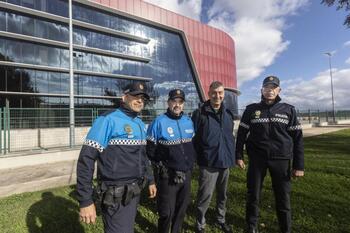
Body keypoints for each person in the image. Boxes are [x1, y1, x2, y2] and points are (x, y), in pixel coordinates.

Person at [76, 82, 157, 233]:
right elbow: (86, 159)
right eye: (136, 96)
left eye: (143, 98)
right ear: (124, 97)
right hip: (116, 194)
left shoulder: (139, 123)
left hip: (134, 191)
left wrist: (151, 180)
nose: (140, 100)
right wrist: (85, 200)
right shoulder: (107, 119)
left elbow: (143, 156)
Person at [235, 75, 304, 233]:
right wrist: (238, 155)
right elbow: (241, 134)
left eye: (273, 88)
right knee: (253, 194)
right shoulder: (251, 110)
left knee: (283, 197)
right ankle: (252, 227)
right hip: (257, 160)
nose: (270, 90)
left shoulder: (288, 110)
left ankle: (285, 229)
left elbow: (298, 139)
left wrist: (298, 165)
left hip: (281, 160)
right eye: (267, 87)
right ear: (262, 90)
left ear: (278, 90)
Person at [146, 89, 196, 233]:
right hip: (167, 176)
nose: (177, 105)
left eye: (180, 102)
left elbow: (192, 145)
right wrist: (160, 166)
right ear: (168, 102)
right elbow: (150, 151)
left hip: (186, 174)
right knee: (166, 213)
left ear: (183, 104)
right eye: (174, 101)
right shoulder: (158, 122)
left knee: (181, 211)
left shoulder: (188, 121)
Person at [192, 81, 235, 233]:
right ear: (208, 93)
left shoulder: (228, 114)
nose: (217, 96)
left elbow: (230, 136)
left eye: (220, 93)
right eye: (214, 93)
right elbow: (194, 138)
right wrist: (197, 158)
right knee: (205, 196)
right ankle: (200, 223)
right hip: (208, 162)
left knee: (222, 195)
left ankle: (220, 219)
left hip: (225, 161)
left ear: (224, 94)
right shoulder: (199, 113)